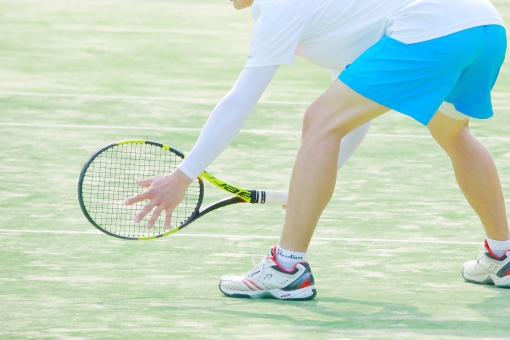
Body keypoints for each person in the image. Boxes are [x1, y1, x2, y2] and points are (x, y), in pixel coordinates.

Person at [124, 0, 508, 300]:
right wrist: (305, 193)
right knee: (453, 134)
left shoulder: (278, 9)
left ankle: (286, 270)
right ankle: (502, 256)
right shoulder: (332, 12)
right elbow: (353, 119)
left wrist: (182, 176)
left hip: (432, 30)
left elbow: (239, 102)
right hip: (484, 26)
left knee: (318, 120)